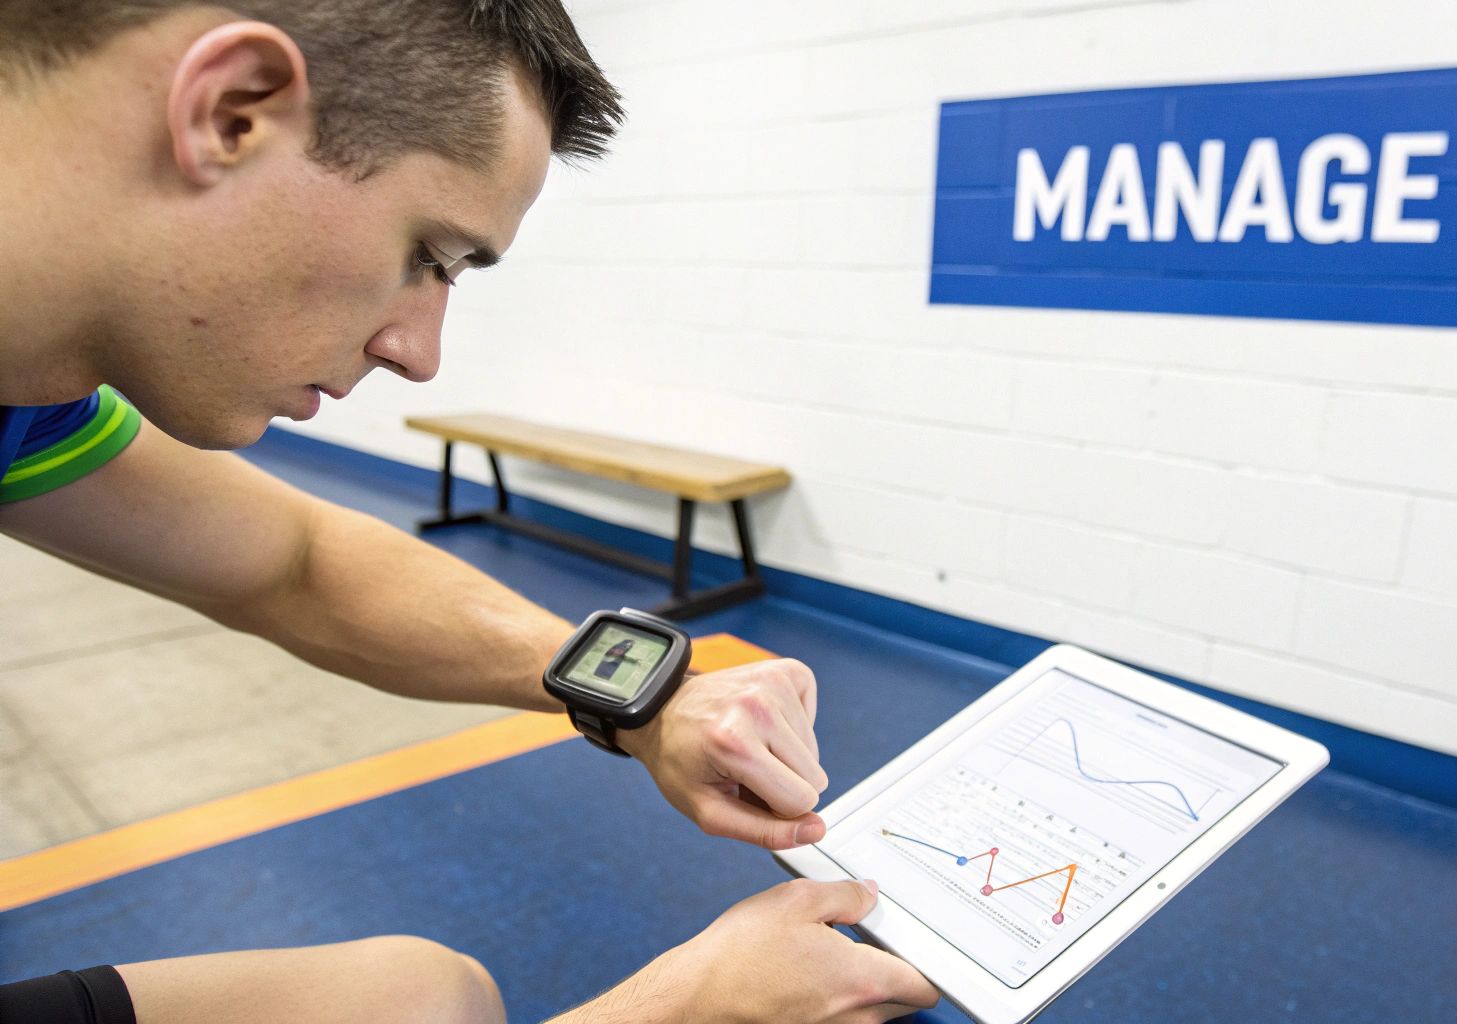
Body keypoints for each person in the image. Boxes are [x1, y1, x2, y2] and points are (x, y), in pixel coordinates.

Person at [0, 2, 942, 1022]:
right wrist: (670, 1010)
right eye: (428, 255)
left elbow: (296, 562)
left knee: (427, 991)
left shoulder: (29, 394)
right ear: (232, 114)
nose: (419, 351)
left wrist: (646, 703)